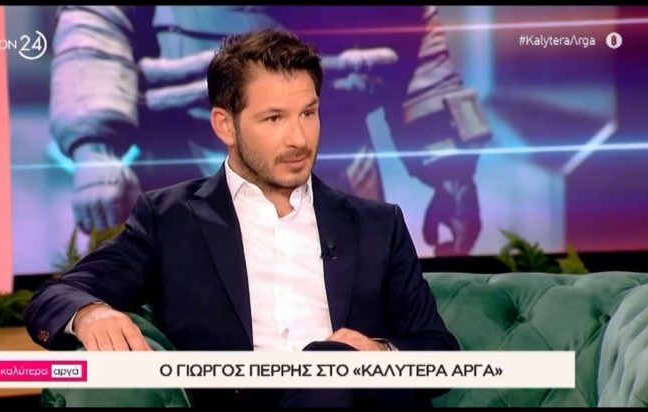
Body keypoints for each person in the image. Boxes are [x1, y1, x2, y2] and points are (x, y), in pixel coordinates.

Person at [27, 28, 460, 407]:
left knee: (330, 363)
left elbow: (439, 353)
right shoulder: (171, 219)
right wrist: (91, 314)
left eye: (308, 113)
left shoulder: (377, 225)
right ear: (225, 125)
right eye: (274, 118)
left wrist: (377, 354)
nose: (298, 138)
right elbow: (56, 295)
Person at [49, 5, 490, 257]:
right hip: (189, 158)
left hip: (335, 156)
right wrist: (94, 149)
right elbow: (96, 21)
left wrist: (451, 172)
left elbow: (413, 33)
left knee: (353, 304)